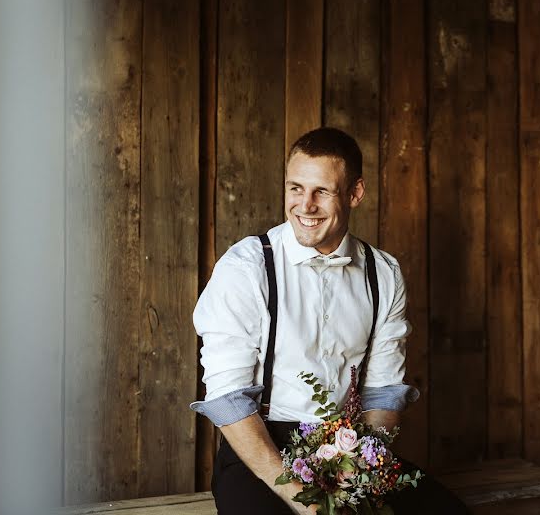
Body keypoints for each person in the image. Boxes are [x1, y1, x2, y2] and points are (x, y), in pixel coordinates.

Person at [190, 127, 469, 514]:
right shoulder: (247, 267)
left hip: (347, 449)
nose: (305, 205)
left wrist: (361, 465)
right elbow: (228, 399)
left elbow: (383, 392)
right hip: (258, 452)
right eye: (295, 188)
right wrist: (301, 498)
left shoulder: (382, 273)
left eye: (322, 191)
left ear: (355, 193)